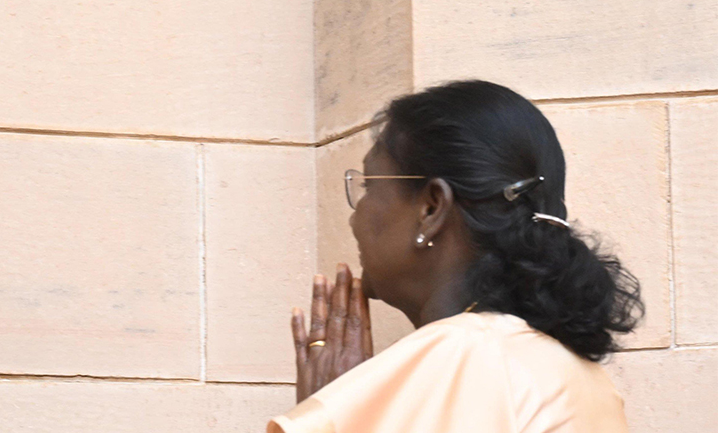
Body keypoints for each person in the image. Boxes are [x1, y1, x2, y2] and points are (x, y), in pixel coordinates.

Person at [269, 80, 642, 433]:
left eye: (369, 185)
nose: (355, 216)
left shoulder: (460, 356)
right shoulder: (588, 379)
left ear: (431, 208)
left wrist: (335, 414)